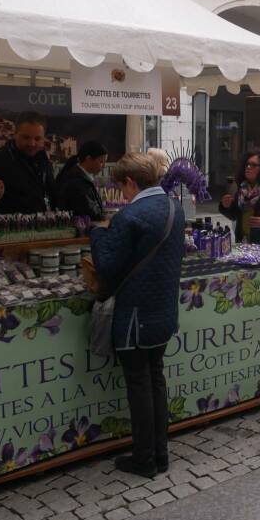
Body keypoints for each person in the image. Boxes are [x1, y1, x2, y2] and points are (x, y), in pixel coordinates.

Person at [90, 153, 184, 478]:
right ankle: (160, 454)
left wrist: (99, 232)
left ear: (131, 182)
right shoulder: (174, 207)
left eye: (121, 187)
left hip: (134, 316)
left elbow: (106, 265)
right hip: (163, 314)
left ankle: (144, 458)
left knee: (140, 385)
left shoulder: (130, 216)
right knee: (155, 379)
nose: (122, 195)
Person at [0, 111, 57, 214]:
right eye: (26, 137)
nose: (32, 143)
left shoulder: (44, 161)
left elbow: (53, 196)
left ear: (44, 137)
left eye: (37, 138)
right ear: (15, 134)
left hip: (45, 227)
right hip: (10, 228)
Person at [55, 141, 108, 221]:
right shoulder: (77, 181)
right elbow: (90, 212)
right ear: (88, 159)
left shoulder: (80, 177)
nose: (104, 166)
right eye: (101, 162)